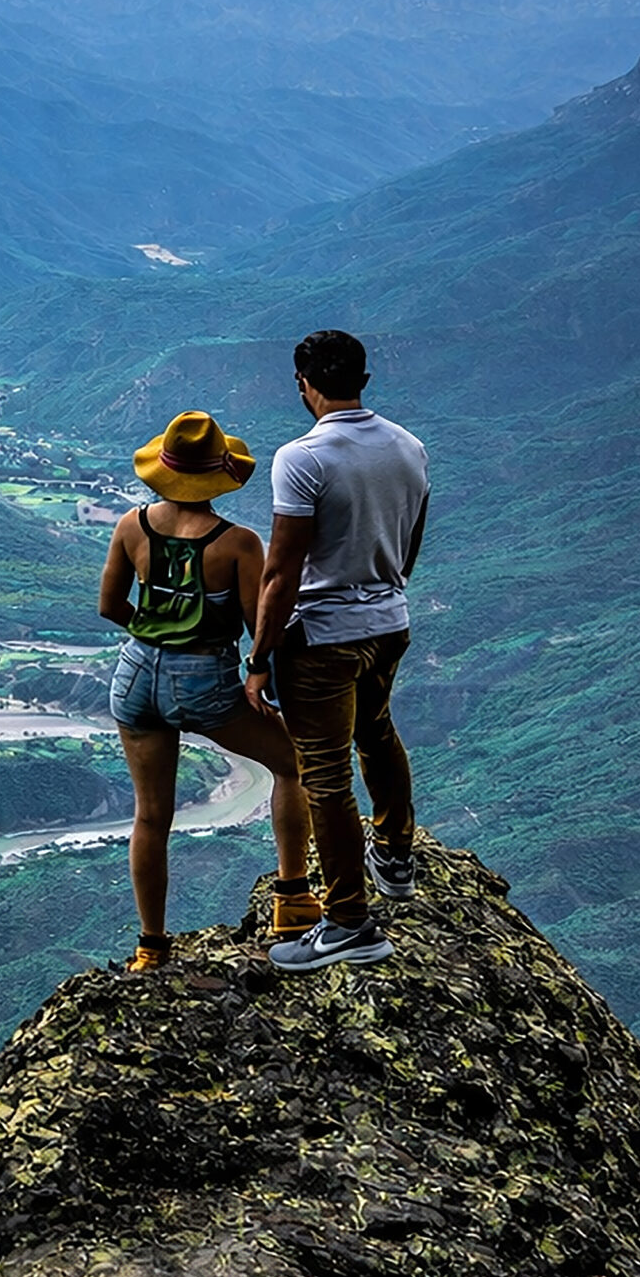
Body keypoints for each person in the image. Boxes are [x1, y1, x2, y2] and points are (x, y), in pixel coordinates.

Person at [99, 410, 318, 973]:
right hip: (200, 679)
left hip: (133, 675)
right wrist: (257, 671)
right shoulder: (237, 544)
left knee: (151, 816)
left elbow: (110, 606)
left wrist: (156, 635)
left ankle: (151, 947)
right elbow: (258, 626)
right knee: (293, 764)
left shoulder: (132, 525)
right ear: (218, 474)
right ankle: (293, 900)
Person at [245, 330, 430, 972]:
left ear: (304, 384)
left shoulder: (302, 457)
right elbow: (409, 545)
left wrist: (260, 656)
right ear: (364, 380)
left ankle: (351, 921)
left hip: (323, 636)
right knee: (378, 733)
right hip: (390, 622)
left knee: (324, 777)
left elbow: (282, 569)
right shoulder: (410, 447)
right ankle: (396, 857)